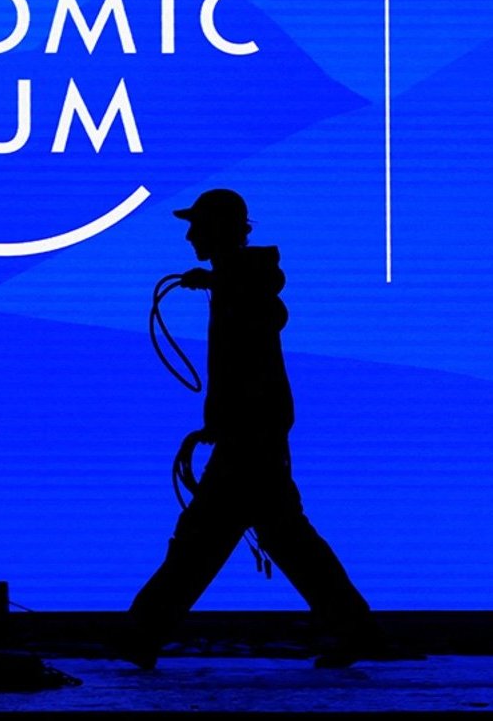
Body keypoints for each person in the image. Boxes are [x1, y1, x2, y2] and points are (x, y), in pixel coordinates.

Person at [125, 189, 384, 669]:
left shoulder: (243, 286)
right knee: (284, 539)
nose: (190, 235)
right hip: (253, 435)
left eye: (197, 226)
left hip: (249, 440)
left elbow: (250, 337)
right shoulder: (239, 282)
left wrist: (223, 424)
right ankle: (358, 631)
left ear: (219, 230)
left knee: (202, 540)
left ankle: (140, 636)